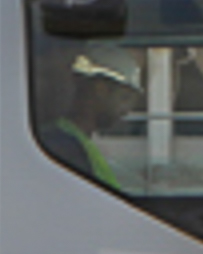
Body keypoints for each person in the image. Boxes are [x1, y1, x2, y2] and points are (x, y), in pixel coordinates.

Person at [44, 56, 138, 195]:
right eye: (124, 98)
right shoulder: (64, 148)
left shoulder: (78, 142)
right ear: (101, 90)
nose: (126, 111)